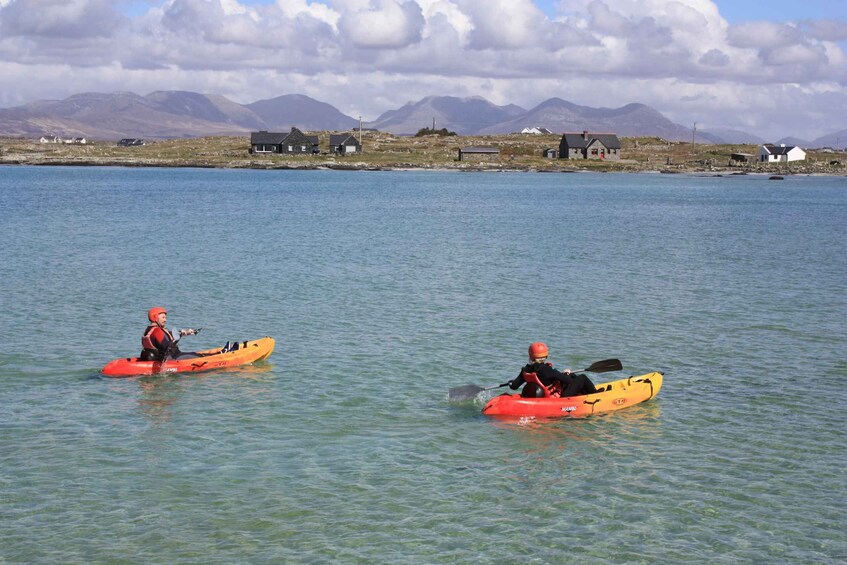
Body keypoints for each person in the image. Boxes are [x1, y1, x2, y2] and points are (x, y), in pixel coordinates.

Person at [509, 342, 598, 398]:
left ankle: (584, 392)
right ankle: (595, 394)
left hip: (542, 395)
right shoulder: (548, 370)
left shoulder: (526, 370)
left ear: (531, 355)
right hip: (560, 397)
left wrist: (511, 382)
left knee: (571, 375)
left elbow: (514, 386)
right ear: (546, 356)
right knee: (582, 378)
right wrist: (566, 374)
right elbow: (570, 381)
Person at [140, 307, 219, 361]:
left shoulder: (149, 330)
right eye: (163, 317)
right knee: (198, 357)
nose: (165, 320)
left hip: (162, 358)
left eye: (165, 318)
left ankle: (221, 353)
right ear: (155, 317)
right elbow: (167, 347)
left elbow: (168, 336)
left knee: (194, 354)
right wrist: (177, 338)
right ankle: (221, 354)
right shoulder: (157, 331)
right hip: (173, 358)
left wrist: (184, 333)